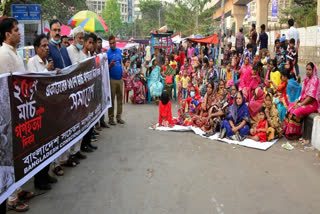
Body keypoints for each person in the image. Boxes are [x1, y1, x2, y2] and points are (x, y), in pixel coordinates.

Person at [0, 17, 34, 213]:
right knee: (11, 155)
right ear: (7, 35)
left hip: (21, 110)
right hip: (10, 114)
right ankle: (11, 198)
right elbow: (6, 89)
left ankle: (18, 190)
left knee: (19, 154)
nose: (19, 32)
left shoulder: (14, 52)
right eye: (15, 30)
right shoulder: (3, 54)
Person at [283, 62, 320, 140]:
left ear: (313, 70)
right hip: (304, 101)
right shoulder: (306, 80)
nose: (308, 71)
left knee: (296, 111)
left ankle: (295, 133)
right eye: (307, 69)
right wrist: (298, 100)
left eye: (310, 69)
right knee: (290, 107)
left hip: (312, 104)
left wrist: (300, 104)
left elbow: (311, 97)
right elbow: (303, 93)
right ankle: (286, 130)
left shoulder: (315, 81)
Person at [107, 35, 125, 125]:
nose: (112, 45)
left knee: (120, 99)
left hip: (120, 78)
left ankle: (119, 117)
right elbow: (105, 67)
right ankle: (110, 118)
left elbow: (121, 62)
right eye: (110, 43)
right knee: (112, 100)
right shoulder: (107, 53)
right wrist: (110, 66)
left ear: (115, 42)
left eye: (113, 43)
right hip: (112, 79)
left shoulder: (119, 51)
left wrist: (123, 70)